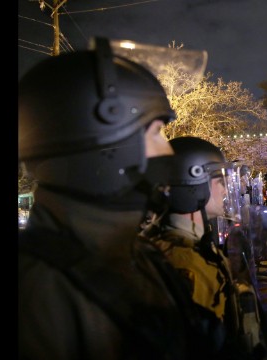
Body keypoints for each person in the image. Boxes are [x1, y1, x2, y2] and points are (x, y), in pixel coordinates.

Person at [18, 39, 188, 359]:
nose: (168, 151)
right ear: (103, 147)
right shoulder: (38, 290)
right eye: (155, 133)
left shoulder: (140, 254)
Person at [141, 136, 267, 359]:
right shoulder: (183, 262)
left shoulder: (191, 245)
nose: (224, 189)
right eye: (219, 181)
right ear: (194, 185)